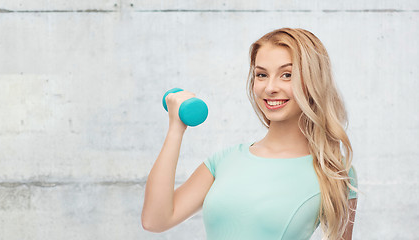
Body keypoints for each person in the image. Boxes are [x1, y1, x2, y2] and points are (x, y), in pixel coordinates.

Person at [141, 28, 358, 240]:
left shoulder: (334, 171)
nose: (270, 87)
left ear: (313, 81)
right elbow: (155, 220)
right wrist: (175, 129)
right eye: (262, 75)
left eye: (287, 75)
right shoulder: (225, 160)